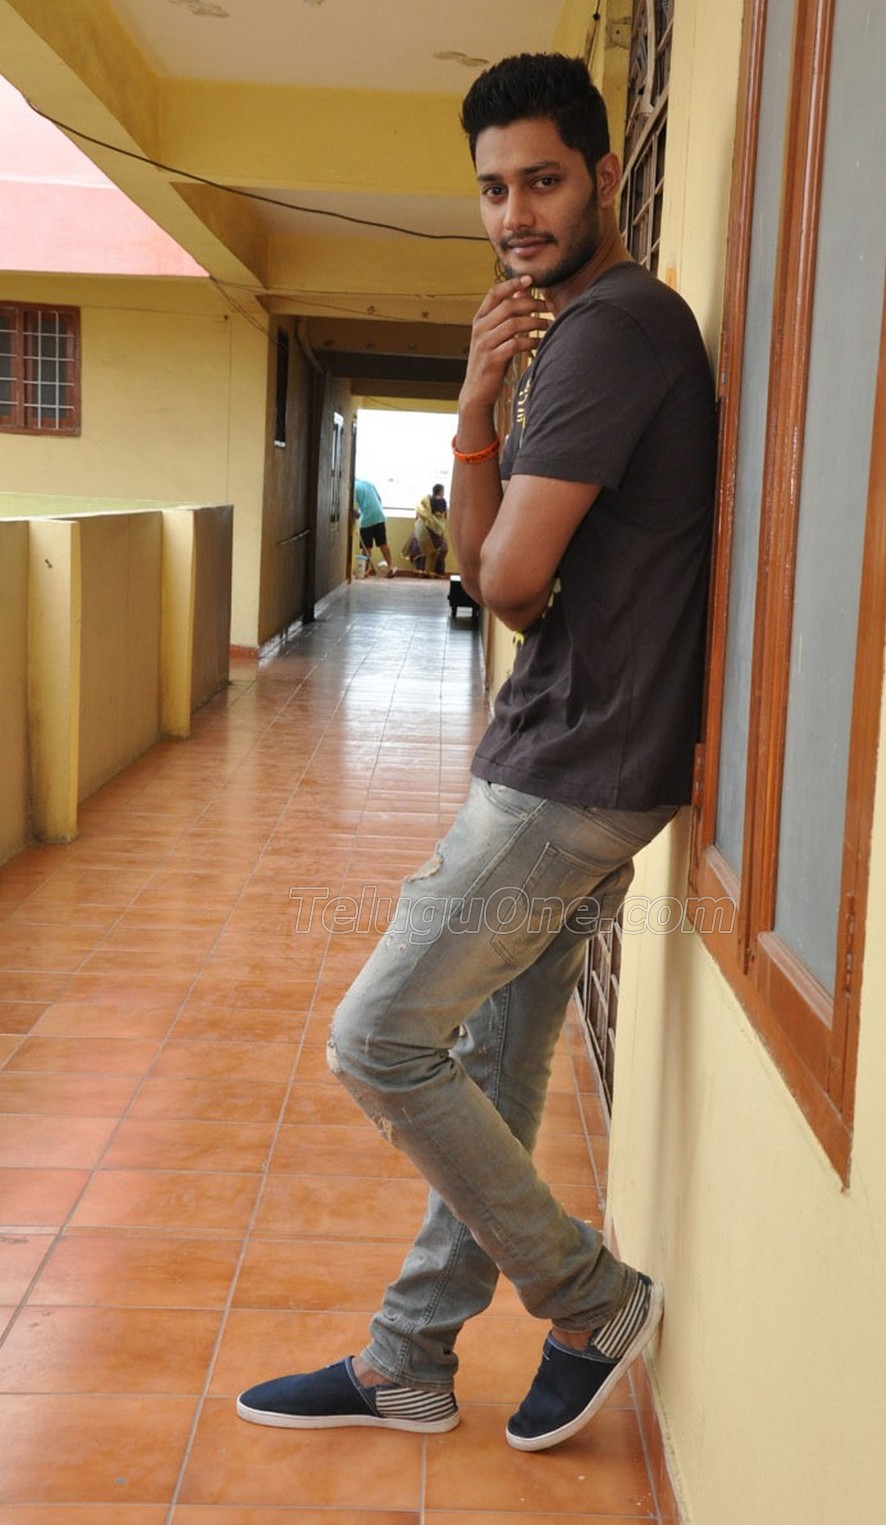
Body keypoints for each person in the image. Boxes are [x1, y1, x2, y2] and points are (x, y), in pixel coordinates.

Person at [238, 52, 716, 1452]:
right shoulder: (588, 332)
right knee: (496, 1069)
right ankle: (411, 1359)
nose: (515, 215)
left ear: (606, 175)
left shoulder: (616, 329)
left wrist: (470, 415)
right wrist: (485, 394)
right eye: (494, 189)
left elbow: (503, 583)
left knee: (380, 1038)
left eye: (543, 181)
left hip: (569, 778)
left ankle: (589, 1296)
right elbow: (491, 574)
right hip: (585, 763)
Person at [403, 482, 449, 575]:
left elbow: (419, 514)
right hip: (437, 529)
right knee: (439, 548)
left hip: (424, 530)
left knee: (422, 549)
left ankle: (421, 571)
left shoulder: (426, 500)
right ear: (441, 491)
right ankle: (434, 572)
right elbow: (444, 515)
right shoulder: (443, 501)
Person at [353, 476, 395, 575]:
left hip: (367, 519)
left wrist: (356, 515)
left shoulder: (352, 488)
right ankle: (389, 567)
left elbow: (354, 510)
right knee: (383, 544)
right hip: (379, 516)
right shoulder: (368, 483)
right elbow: (379, 499)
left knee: (367, 547)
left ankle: (364, 571)